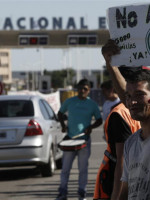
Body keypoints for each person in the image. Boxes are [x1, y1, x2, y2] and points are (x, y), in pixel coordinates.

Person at [101, 39, 150, 199]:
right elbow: (126, 189)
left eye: (140, 95)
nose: (132, 101)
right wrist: (111, 65)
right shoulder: (132, 143)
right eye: (128, 97)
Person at [56, 78, 102, 200]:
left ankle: (82, 192)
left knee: (83, 169)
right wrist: (63, 125)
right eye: (80, 88)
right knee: (65, 168)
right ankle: (62, 192)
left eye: (85, 89)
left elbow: (99, 120)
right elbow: (60, 113)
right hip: (70, 139)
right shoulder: (70, 101)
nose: (82, 91)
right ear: (77, 89)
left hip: (84, 140)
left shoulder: (92, 104)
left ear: (89, 90)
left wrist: (91, 127)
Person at [93, 101, 140, 200]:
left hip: (123, 178)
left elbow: (122, 160)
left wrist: (116, 195)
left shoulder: (120, 114)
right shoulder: (139, 110)